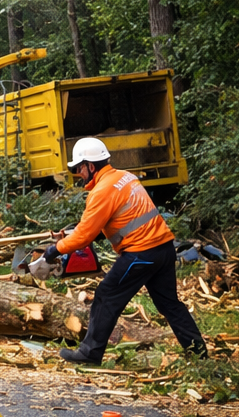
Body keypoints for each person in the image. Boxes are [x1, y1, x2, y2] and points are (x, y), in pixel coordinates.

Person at [43, 137, 208, 364]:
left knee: (106, 296)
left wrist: (53, 251)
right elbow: (121, 221)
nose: (78, 174)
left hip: (141, 253)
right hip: (163, 249)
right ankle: (199, 353)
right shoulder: (125, 177)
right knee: (169, 304)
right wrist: (72, 235)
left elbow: (84, 237)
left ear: (91, 166)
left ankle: (89, 354)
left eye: (79, 168)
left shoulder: (102, 191)